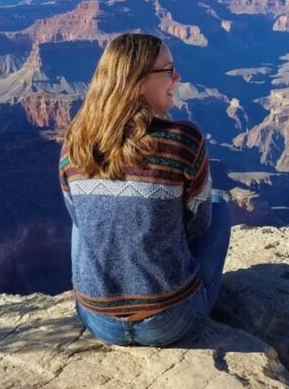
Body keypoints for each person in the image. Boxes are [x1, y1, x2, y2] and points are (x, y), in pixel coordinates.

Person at [58, 32, 232, 346]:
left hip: (97, 320)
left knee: (82, 218)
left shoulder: (75, 142)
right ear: (137, 82)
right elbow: (199, 224)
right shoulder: (184, 140)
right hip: (169, 322)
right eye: (167, 70)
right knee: (219, 205)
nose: (177, 77)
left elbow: (79, 218)